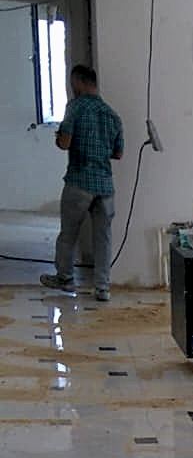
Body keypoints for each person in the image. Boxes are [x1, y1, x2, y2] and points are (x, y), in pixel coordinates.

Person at [40, 65, 124, 302]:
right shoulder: (112, 114)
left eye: (72, 83)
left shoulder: (75, 107)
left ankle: (65, 278)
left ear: (78, 82)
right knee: (103, 238)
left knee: (69, 234)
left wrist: (59, 138)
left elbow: (65, 143)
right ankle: (103, 288)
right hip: (105, 186)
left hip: (79, 181)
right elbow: (118, 154)